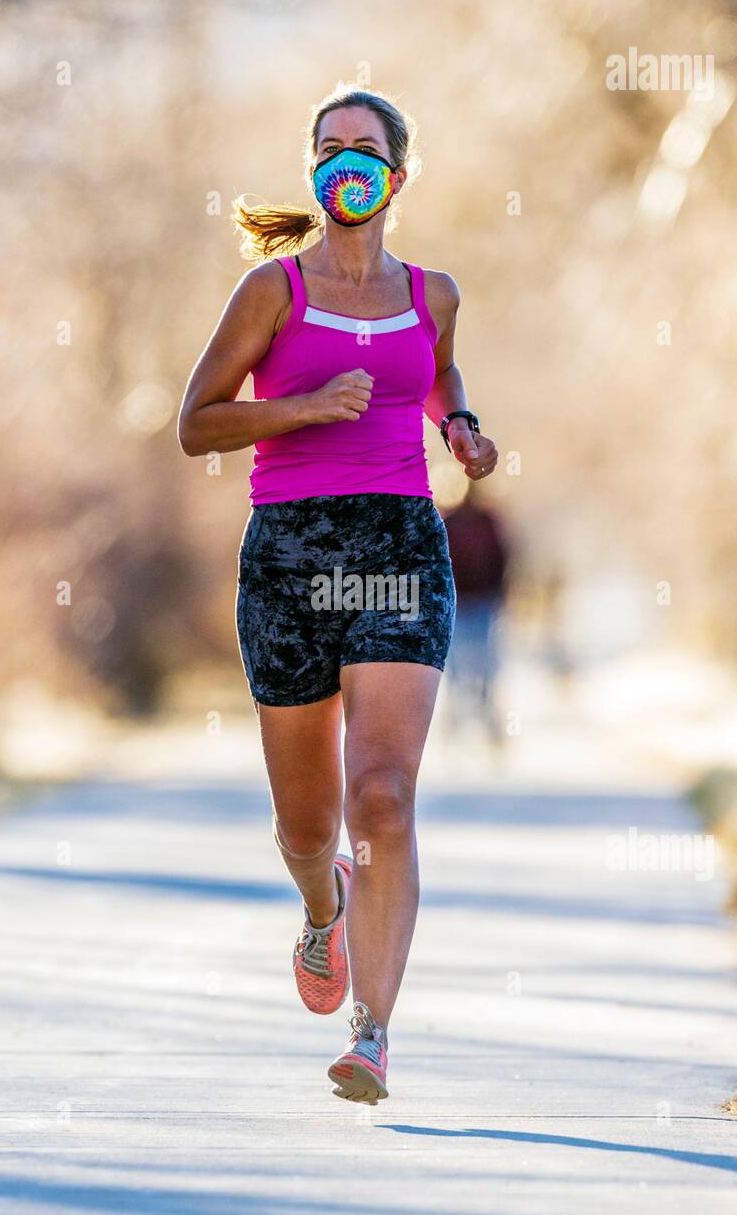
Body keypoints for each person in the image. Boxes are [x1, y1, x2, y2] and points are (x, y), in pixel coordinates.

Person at [178, 86, 497, 1105]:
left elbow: (438, 372)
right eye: (328, 148)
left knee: (383, 796)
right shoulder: (273, 292)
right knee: (309, 828)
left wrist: (462, 427)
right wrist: (307, 408)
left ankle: (374, 1034)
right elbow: (197, 423)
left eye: (363, 148)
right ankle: (323, 911)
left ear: (396, 177)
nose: (343, 163)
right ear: (313, 172)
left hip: (400, 541)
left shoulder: (434, 291)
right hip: (288, 556)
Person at [443, 483, 516, 745]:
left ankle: (487, 714)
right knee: (455, 665)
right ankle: (455, 721)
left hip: (484, 601)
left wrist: (500, 594)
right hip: (457, 603)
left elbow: (503, 558)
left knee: (486, 662)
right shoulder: (448, 522)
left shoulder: (488, 522)